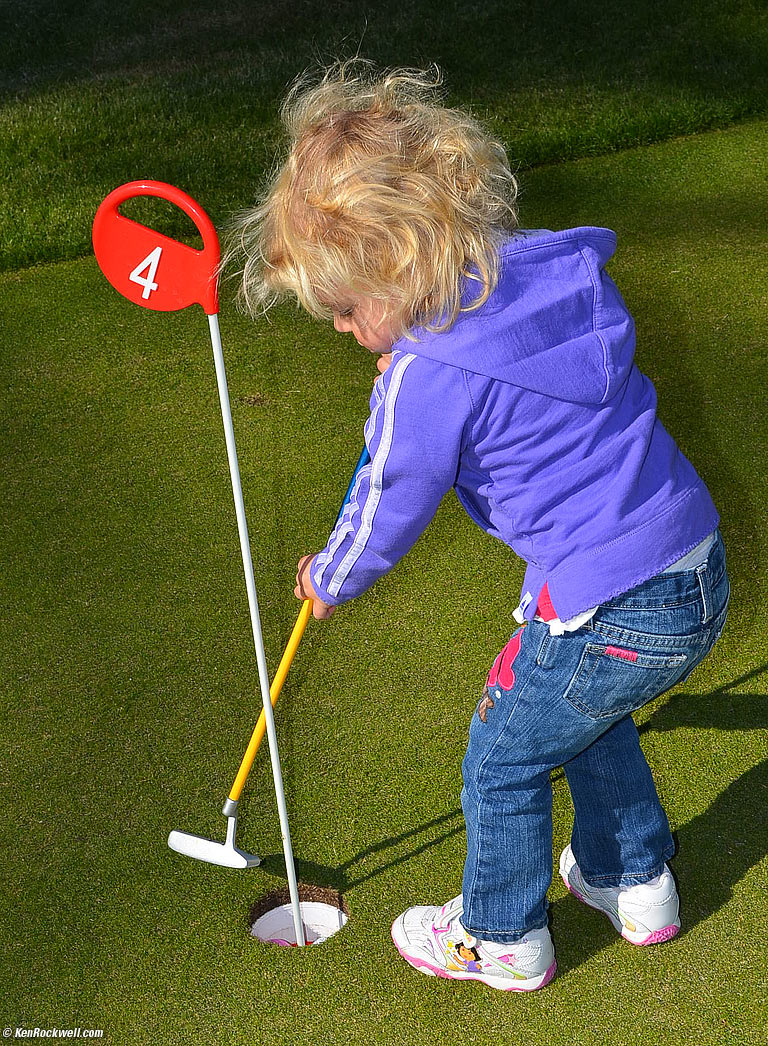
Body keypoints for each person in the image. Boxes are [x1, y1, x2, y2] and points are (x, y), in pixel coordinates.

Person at [231, 61, 730, 991]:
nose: (343, 330)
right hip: (692, 563)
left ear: (397, 267)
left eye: (347, 308)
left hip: (609, 602)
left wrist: (332, 576)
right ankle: (634, 878)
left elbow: (389, 492)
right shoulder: (549, 272)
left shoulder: (424, 376)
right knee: (583, 714)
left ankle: (501, 936)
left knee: (501, 754)